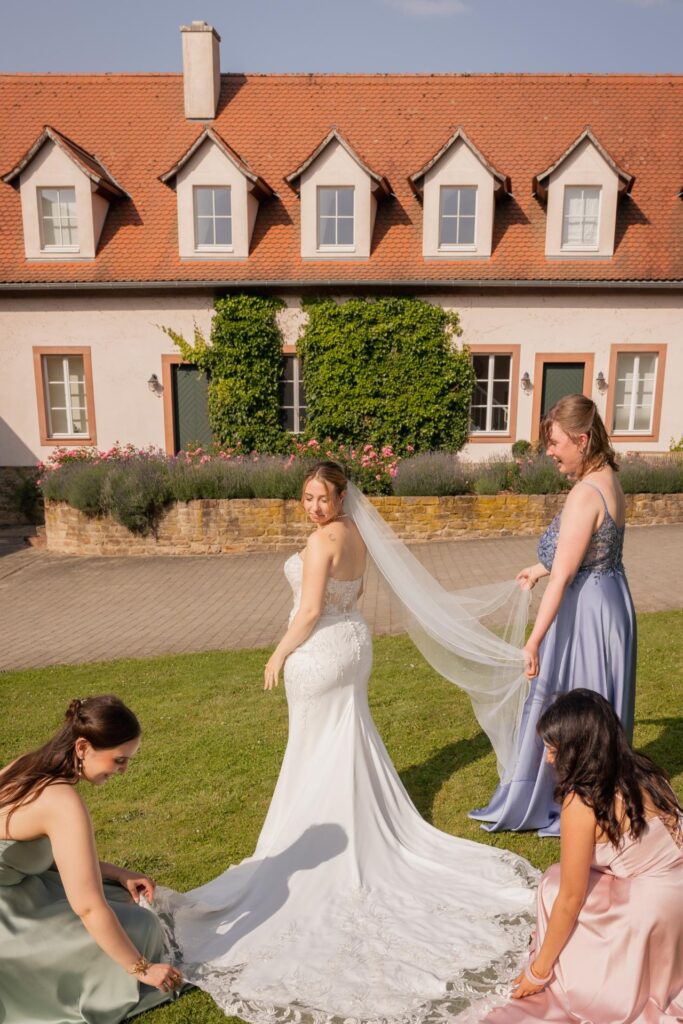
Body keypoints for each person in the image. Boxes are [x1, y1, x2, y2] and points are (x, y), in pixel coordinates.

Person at [153, 460, 539, 1024]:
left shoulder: (321, 543)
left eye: (322, 497)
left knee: (313, 749)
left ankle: (314, 838)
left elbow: (309, 610)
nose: (313, 506)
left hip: (320, 652)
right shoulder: (356, 534)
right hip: (354, 644)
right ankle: (349, 822)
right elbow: (347, 599)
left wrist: (278, 653)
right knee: (345, 740)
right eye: (307, 497)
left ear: (340, 496)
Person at [470, 394, 636, 836]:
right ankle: (600, 789)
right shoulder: (609, 479)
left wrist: (533, 640)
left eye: (556, 442)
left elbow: (565, 577)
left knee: (570, 698)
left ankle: (570, 797)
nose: (549, 451)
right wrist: (540, 567)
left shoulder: (584, 494)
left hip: (586, 610)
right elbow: (586, 552)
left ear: (582, 440)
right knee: (598, 699)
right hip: (611, 600)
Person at [486, 688, 683, 1023]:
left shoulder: (583, 802)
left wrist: (538, 971)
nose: (548, 758)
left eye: (552, 749)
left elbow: (571, 898)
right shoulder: (648, 772)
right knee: (563, 876)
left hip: (655, 913)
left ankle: (588, 976)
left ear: (577, 750)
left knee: (553, 885)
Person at [0, 694, 183, 1024]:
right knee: (140, 926)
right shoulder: (61, 801)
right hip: (7, 915)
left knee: (120, 901)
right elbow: (87, 906)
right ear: (83, 747)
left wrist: (119, 873)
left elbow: (47, 856)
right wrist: (142, 969)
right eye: (119, 760)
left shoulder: (28, 765)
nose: (124, 770)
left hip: (19, 888)